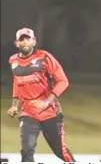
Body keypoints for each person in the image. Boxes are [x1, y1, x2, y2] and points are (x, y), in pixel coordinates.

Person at [7, 27, 76, 162]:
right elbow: (17, 82)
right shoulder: (13, 61)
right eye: (22, 39)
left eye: (28, 39)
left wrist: (46, 102)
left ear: (34, 41)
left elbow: (63, 81)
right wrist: (15, 105)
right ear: (17, 43)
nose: (25, 42)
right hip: (28, 113)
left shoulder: (44, 57)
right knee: (27, 151)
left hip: (49, 112)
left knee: (60, 151)